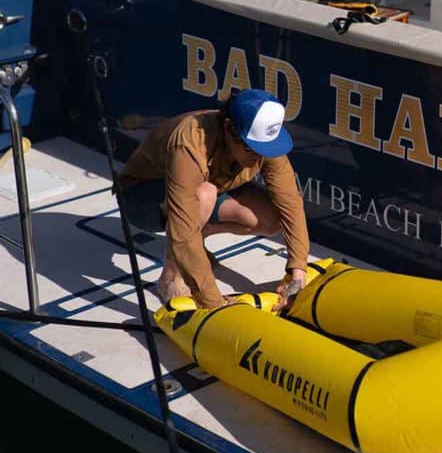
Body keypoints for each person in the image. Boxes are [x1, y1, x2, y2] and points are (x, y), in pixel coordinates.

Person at [117, 88, 308, 311]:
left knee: (271, 218)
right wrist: (213, 303)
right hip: (142, 198)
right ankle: (170, 277)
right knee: (204, 195)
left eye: (265, 148)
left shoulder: (265, 141)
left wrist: (297, 270)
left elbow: (290, 203)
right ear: (228, 128)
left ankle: (196, 249)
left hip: (208, 188)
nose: (259, 156)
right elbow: (184, 228)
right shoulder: (190, 141)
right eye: (252, 147)